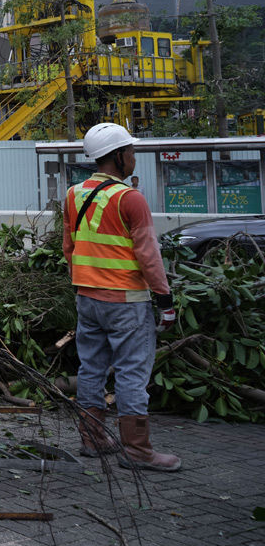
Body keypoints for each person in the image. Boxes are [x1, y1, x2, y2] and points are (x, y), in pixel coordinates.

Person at [63, 122, 182, 472]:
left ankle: (93, 437)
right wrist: (165, 301)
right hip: (127, 300)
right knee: (131, 372)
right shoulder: (130, 198)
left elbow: (69, 249)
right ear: (117, 157)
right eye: (130, 151)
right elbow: (148, 255)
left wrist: (90, 279)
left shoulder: (75, 194)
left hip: (87, 298)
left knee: (91, 367)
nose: (133, 157)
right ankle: (137, 450)